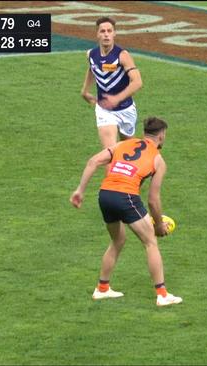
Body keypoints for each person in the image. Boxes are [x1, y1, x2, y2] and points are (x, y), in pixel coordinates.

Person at [69, 117, 182, 307]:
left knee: (118, 240)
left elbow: (93, 161)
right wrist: (159, 225)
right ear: (161, 136)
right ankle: (162, 294)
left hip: (105, 196)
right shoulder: (158, 160)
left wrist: (80, 190)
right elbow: (153, 200)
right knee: (150, 242)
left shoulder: (123, 144)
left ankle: (102, 289)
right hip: (126, 197)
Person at [81, 16, 143, 149]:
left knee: (127, 151)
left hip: (126, 110)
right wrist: (85, 91)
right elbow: (92, 68)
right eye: (102, 31)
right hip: (104, 110)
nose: (106, 35)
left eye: (109, 31)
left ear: (114, 33)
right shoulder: (91, 54)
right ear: (97, 34)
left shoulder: (122, 55)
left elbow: (137, 82)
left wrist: (117, 98)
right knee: (111, 153)